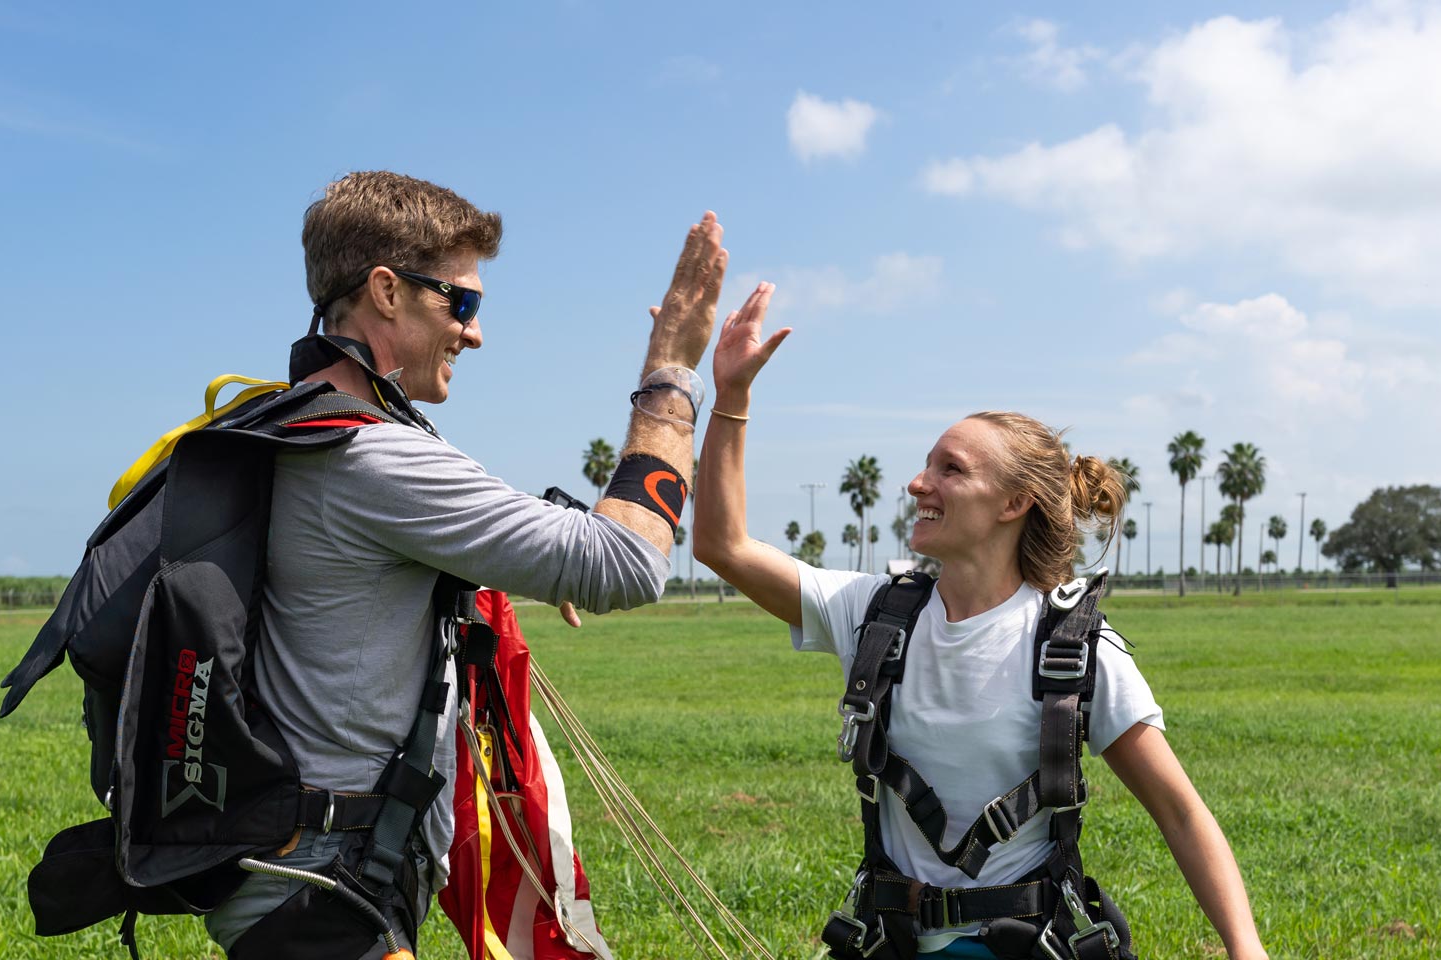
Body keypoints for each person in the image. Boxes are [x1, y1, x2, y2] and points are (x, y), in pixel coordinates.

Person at [203, 171, 729, 955]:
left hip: (300, 876)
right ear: (386, 291)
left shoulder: (293, 426)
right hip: (323, 890)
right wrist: (673, 374)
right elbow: (626, 564)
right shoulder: (371, 456)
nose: (473, 331)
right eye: (462, 302)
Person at [691, 285, 1267, 960]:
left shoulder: (1075, 653)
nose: (917, 483)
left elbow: (1180, 812)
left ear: (1013, 502)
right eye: (926, 464)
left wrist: (1245, 949)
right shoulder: (875, 615)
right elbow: (722, 546)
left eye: (950, 469)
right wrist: (730, 399)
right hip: (891, 941)